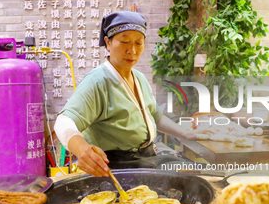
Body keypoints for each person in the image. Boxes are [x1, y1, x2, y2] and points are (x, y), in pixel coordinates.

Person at [54, 11, 207, 177]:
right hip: (118, 167)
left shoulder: (139, 78)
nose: (132, 50)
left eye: (139, 43)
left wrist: (186, 133)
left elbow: (155, 116)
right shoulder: (98, 81)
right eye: (124, 41)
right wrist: (81, 148)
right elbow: (63, 122)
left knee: (199, 174)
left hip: (148, 157)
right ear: (108, 43)